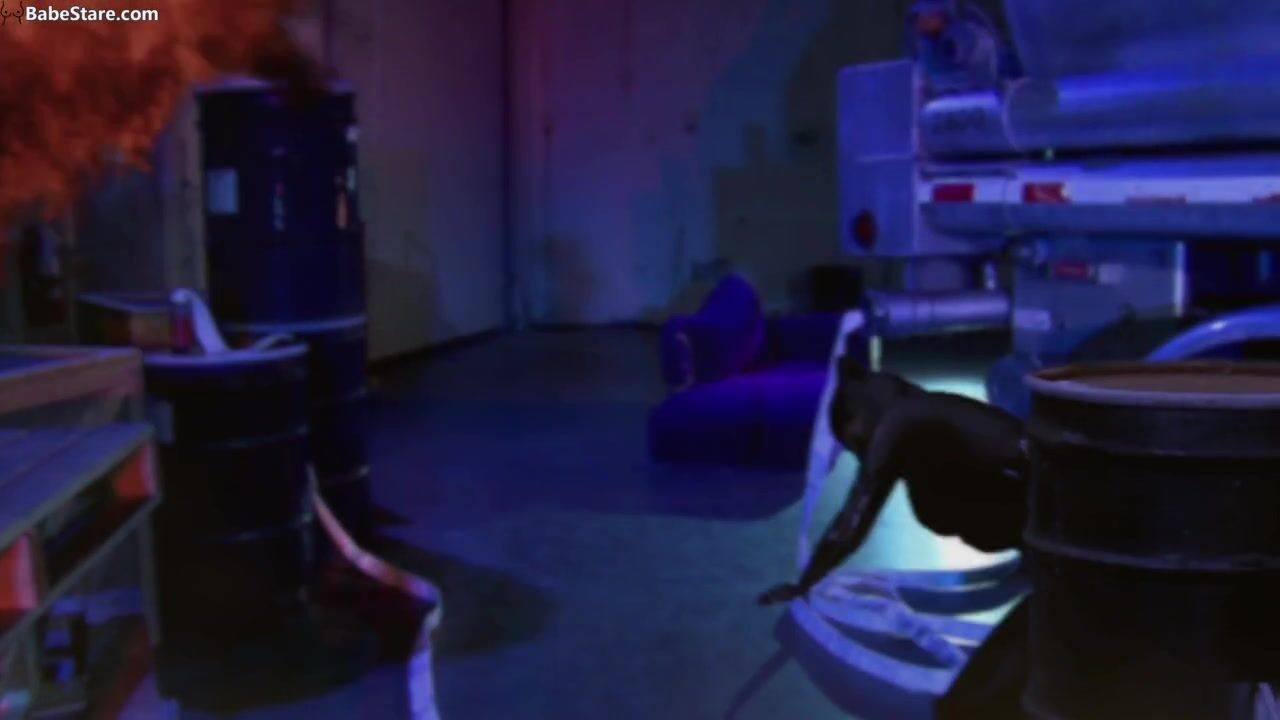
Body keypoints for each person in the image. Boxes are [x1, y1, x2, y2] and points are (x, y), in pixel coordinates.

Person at [759, 352, 1031, 718]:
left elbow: (853, 521)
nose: (860, 454)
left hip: (1058, 516)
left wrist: (804, 583)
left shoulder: (902, 421)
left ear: (859, 410)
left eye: (855, 442)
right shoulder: (919, 417)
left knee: (975, 700)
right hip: (1048, 515)